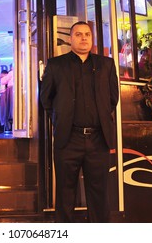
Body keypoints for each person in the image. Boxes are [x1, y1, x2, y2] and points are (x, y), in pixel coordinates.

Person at [40, 21, 119, 223]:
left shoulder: (106, 64)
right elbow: (46, 99)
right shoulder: (56, 65)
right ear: (70, 39)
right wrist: (59, 119)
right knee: (65, 193)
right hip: (68, 139)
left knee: (99, 193)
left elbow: (112, 98)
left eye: (87, 34)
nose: (83, 38)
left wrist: (99, 117)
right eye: (78, 34)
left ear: (91, 38)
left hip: (98, 138)